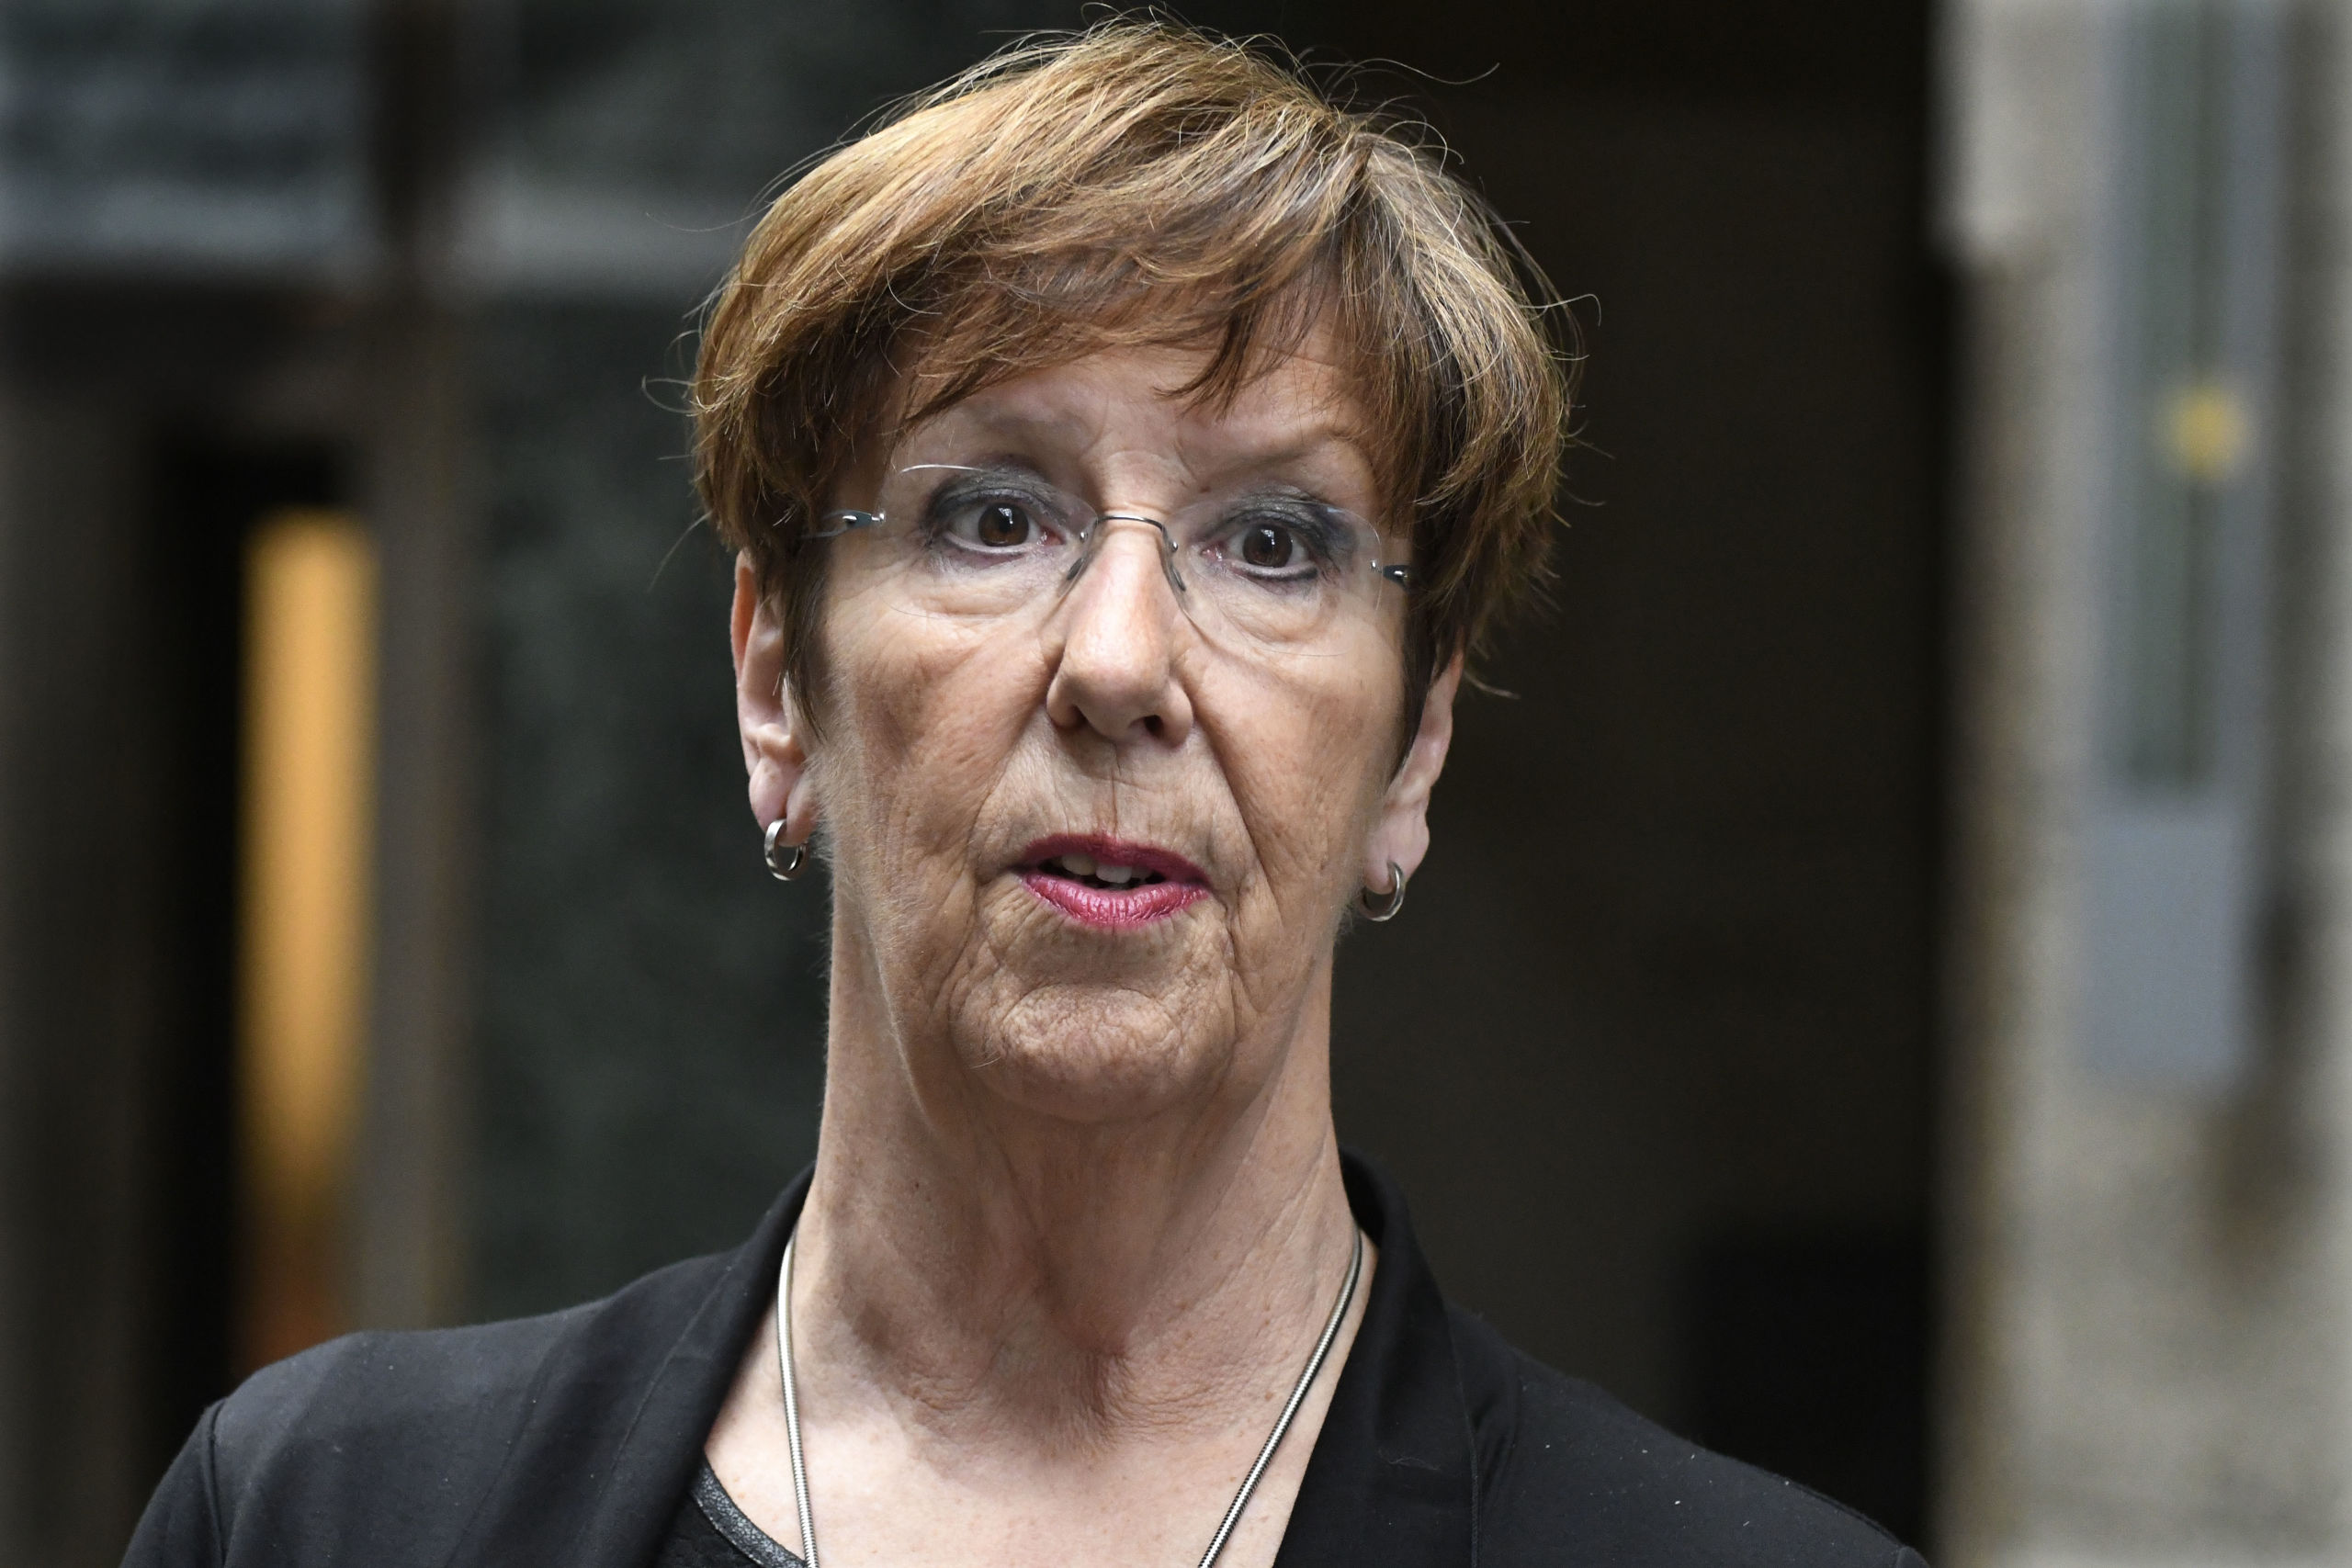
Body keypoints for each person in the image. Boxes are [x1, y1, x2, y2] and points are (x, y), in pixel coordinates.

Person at [127, 23, 1926, 1568]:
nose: (1120, 660)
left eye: (1274, 542)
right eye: (993, 516)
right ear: (777, 680)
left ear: (1414, 743)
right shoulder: (329, 1513)